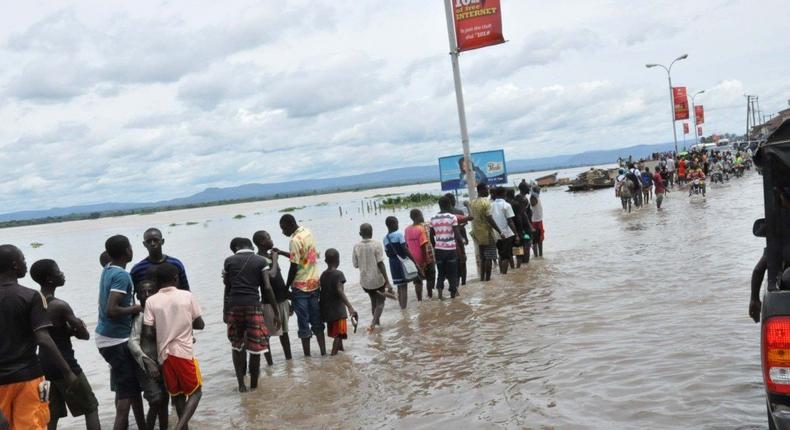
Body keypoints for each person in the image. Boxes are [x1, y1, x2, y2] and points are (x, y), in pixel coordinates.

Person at [0, 245, 78, 430]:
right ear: (15, 265)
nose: (26, 264)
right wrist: (67, 372)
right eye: (23, 260)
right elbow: (43, 338)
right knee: (34, 424)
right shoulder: (31, 296)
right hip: (29, 377)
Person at [30, 259, 100, 430]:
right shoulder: (60, 306)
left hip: (42, 369)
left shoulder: (33, 304)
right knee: (90, 408)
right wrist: (77, 326)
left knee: (50, 415)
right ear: (50, 279)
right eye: (58, 271)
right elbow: (84, 335)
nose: (62, 273)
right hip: (66, 365)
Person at [142, 263, 205, 430]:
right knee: (196, 392)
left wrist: (165, 327)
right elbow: (200, 324)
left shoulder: (151, 301)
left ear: (157, 281)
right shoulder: (186, 296)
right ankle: (179, 427)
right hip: (183, 352)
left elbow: (148, 333)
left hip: (164, 355)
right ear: (176, 278)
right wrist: (183, 324)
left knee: (177, 396)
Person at [96, 235, 146, 430]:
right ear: (127, 251)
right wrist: (136, 309)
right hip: (114, 340)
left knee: (129, 389)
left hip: (107, 337)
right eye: (131, 247)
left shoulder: (108, 269)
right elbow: (112, 309)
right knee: (125, 397)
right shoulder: (121, 275)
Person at [223, 238, 279, 391]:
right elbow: (267, 287)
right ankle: (254, 386)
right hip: (253, 306)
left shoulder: (229, 261)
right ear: (250, 245)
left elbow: (227, 289)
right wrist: (276, 312)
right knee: (256, 348)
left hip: (234, 307)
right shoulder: (260, 261)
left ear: (236, 248)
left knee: (237, 345)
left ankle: (241, 385)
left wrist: (225, 311)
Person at [279, 215, 325, 356]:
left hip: (300, 288)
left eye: (283, 228)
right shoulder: (307, 232)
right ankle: (323, 353)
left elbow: (294, 267)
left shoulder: (294, 240)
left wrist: (286, 288)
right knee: (317, 320)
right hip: (314, 283)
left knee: (303, 322)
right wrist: (281, 253)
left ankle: (307, 357)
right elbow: (306, 258)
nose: (283, 232)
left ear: (289, 224)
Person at [128, 277, 169, 430]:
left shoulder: (161, 312)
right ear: (137, 296)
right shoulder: (138, 316)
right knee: (156, 399)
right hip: (145, 364)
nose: (146, 295)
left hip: (163, 360)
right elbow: (132, 342)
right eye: (142, 292)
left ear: (156, 293)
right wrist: (147, 361)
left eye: (150, 292)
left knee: (165, 399)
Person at [252, 230, 293, 361]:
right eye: (268, 237)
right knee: (267, 334)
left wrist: (278, 254)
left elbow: (296, 259)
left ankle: (289, 361)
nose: (271, 239)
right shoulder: (260, 259)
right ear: (262, 242)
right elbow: (272, 275)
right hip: (269, 303)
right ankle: (270, 363)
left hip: (282, 300)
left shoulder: (270, 256)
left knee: (284, 333)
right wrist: (275, 260)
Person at [352, 223, 392, 331]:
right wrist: (387, 281)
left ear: (360, 234)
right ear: (372, 232)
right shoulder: (376, 244)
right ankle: (374, 324)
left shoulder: (356, 246)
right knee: (381, 303)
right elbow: (380, 263)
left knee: (373, 302)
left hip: (365, 282)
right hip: (378, 280)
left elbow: (355, 265)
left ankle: (377, 325)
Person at [319, 249, 356, 356]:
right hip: (338, 310)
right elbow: (340, 290)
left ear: (326, 261)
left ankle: (341, 352)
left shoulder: (323, 275)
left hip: (327, 310)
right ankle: (333, 356)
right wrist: (350, 307)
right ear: (338, 260)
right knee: (339, 334)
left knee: (338, 333)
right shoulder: (339, 274)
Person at [130, 228, 190, 293]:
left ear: (162, 241)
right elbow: (131, 294)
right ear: (144, 244)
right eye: (149, 241)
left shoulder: (176, 264)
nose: (152, 243)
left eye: (156, 240)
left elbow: (186, 290)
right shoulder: (138, 269)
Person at [430, 196, 465, 299]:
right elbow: (458, 236)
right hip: (450, 250)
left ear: (439, 205)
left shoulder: (433, 218)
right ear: (449, 204)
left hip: (438, 250)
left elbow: (431, 235)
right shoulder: (452, 217)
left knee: (441, 273)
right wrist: (462, 252)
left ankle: (440, 296)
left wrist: (435, 246)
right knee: (452, 273)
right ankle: (453, 296)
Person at [383, 216, 420, 309]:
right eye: (396, 223)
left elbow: (387, 254)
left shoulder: (385, 239)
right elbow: (405, 249)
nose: (398, 224)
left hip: (393, 263)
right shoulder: (399, 234)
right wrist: (415, 262)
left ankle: (401, 308)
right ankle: (404, 310)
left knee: (399, 286)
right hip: (401, 262)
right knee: (404, 287)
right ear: (392, 224)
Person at [469, 183, 503, 282]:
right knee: (489, 256)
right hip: (487, 233)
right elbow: (490, 219)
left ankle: (482, 279)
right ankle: (488, 280)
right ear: (481, 190)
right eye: (487, 189)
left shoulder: (473, 202)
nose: (488, 192)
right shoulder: (485, 203)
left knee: (483, 257)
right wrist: (500, 231)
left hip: (477, 234)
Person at [404, 209, 435, 300]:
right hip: (424, 257)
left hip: (413, 259)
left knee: (417, 281)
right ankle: (429, 296)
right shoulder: (421, 229)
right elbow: (423, 246)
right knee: (430, 277)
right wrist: (425, 261)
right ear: (418, 216)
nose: (423, 216)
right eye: (421, 214)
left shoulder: (407, 229)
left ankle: (419, 300)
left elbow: (406, 245)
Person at [490, 187, 520, 275]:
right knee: (508, 255)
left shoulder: (491, 205)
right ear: (504, 194)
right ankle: (506, 274)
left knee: (502, 254)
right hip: (508, 233)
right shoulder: (508, 205)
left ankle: (502, 273)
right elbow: (511, 221)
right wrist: (517, 234)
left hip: (496, 234)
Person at [445, 193, 470, 286]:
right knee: (462, 262)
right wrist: (466, 238)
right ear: (452, 201)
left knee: (453, 264)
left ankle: (456, 284)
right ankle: (463, 284)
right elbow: (462, 227)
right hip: (459, 240)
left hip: (447, 244)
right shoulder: (459, 212)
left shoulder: (442, 214)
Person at [530, 189, 545, 258]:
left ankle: (540, 256)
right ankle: (537, 256)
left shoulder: (536, 198)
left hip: (538, 221)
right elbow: (533, 204)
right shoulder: (534, 198)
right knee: (536, 241)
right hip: (535, 222)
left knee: (539, 240)